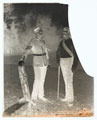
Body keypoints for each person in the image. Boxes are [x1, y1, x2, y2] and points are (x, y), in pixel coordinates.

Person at [18, 27, 49, 102]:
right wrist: (22, 58)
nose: (41, 34)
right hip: (37, 63)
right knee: (37, 79)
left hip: (44, 62)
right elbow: (27, 50)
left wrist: (48, 60)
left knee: (42, 79)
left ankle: (41, 95)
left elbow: (46, 51)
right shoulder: (32, 41)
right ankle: (34, 97)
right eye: (39, 33)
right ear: (36, 34)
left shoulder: (43, 41)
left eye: (41, 33)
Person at [56, 27, 78, 107]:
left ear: (69, 33)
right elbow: (58, 52)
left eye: (66, 33)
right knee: (65, 80)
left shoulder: (72, 42)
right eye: (63, 33)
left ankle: (70, 99)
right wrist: (58, 61)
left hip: (70, 61)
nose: (64, 34)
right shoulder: (61, 42)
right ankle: (66, 97)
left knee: (69, 81)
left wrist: (74, 65)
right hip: (62, 61)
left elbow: (76, 55)